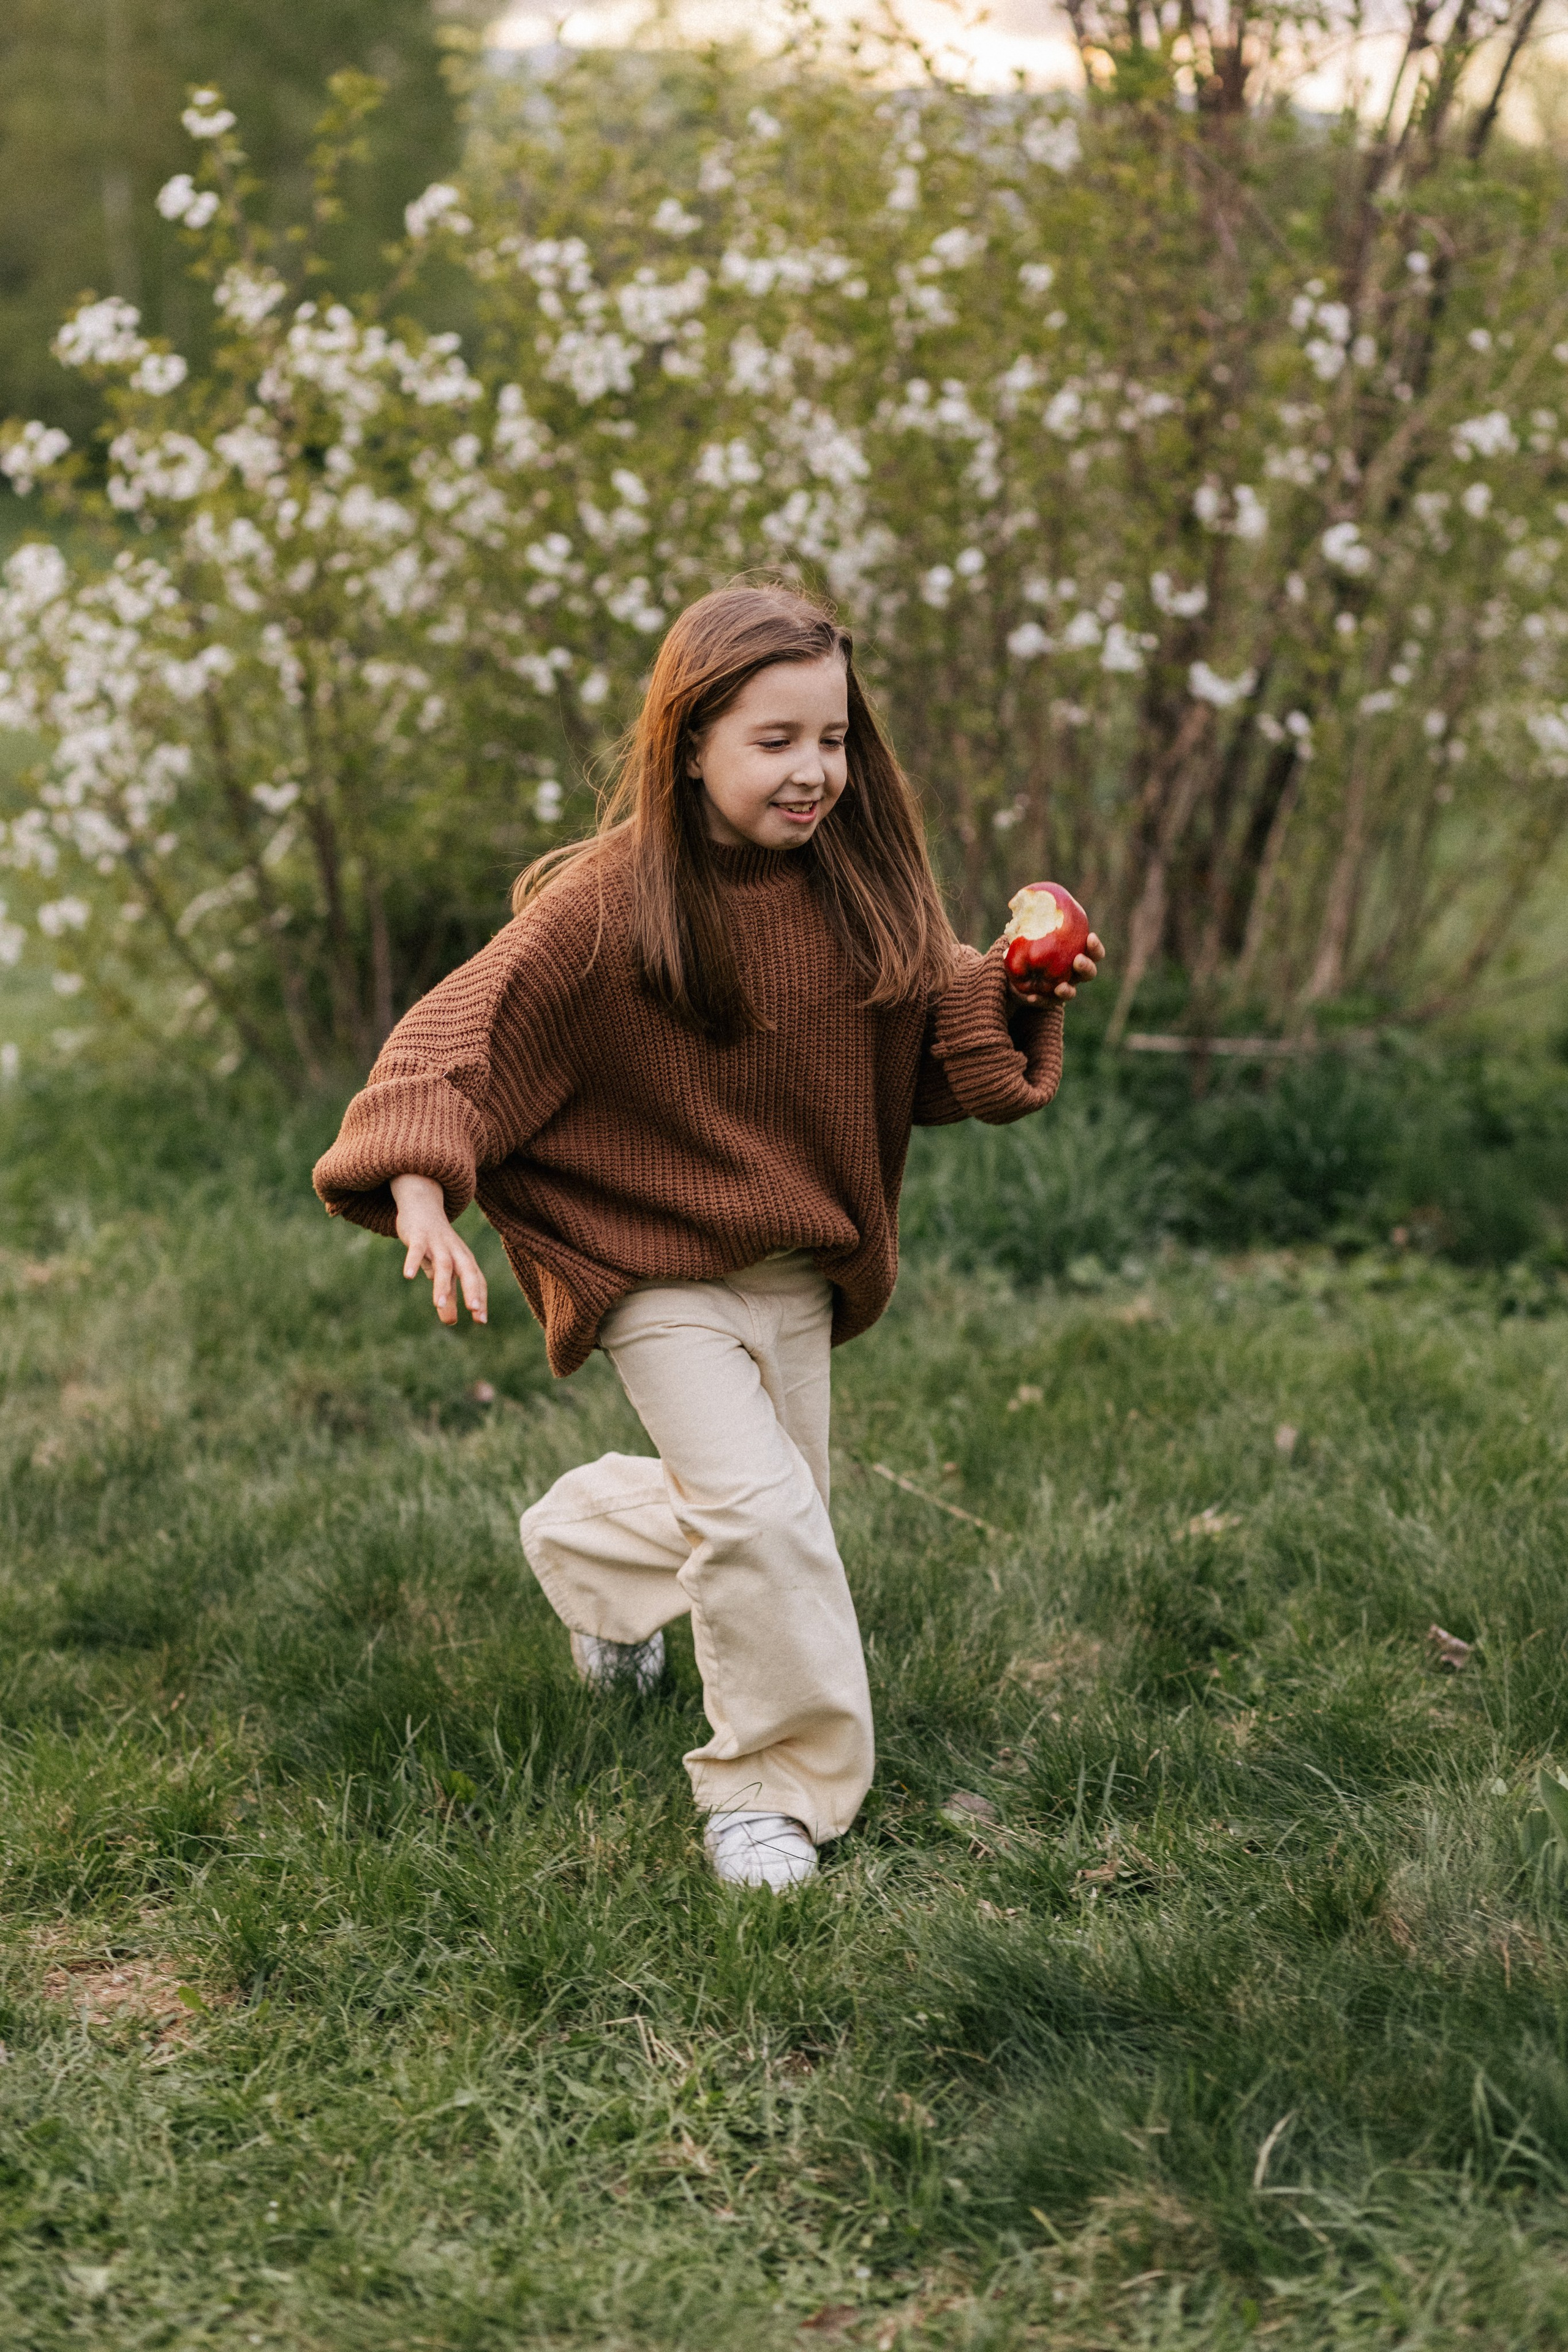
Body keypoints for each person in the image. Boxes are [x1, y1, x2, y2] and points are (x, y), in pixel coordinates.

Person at [312, 582, 1102, 1892]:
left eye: (833, 741)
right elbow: (462, 1032)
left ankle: (583, 1547)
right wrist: (412, 1180)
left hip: (795, 1263)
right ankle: (769, 1792)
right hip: (648, 1269)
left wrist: (1008, 991)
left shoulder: (856, 890)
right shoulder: (609, 903)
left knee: (770, 1521)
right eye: (774, 742)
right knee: (764, 1520)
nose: (813, 774)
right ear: (689, 744)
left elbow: (916, 1056)